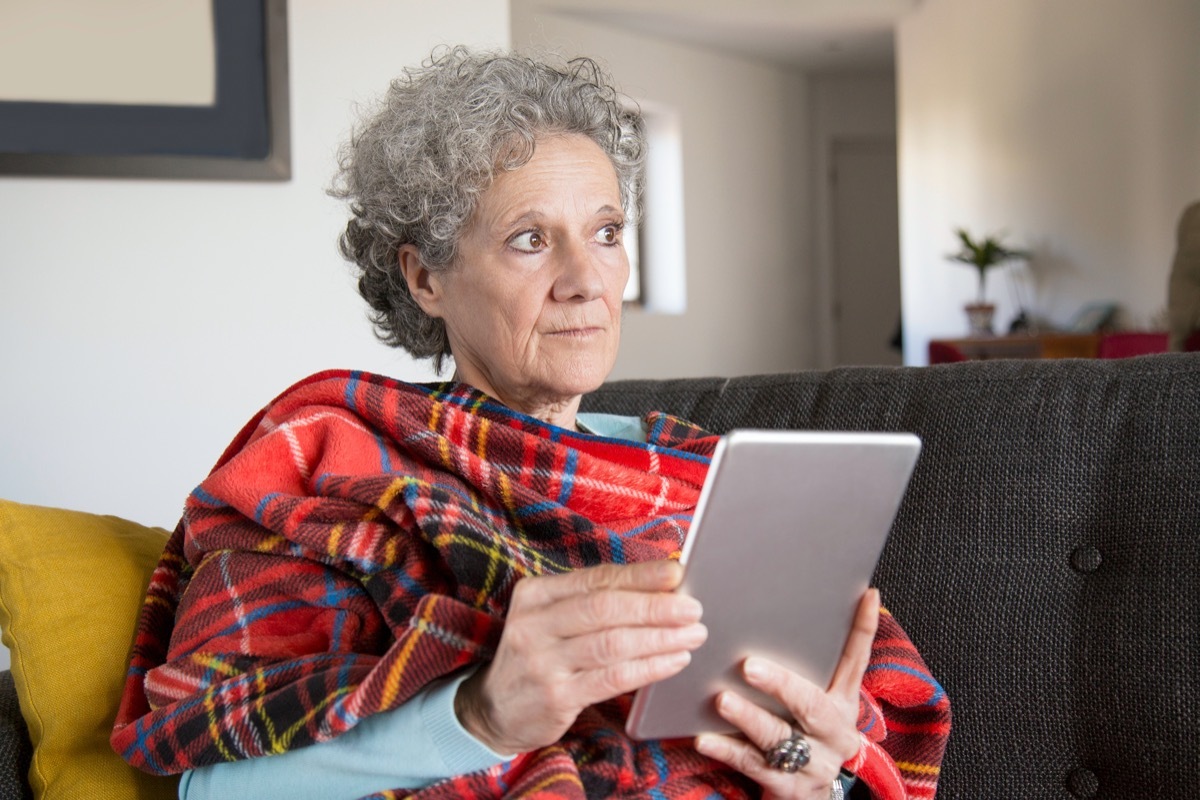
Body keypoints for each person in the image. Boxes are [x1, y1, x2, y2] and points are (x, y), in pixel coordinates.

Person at [111, 47, 950, 800]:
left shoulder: (703, 472)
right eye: (529, 239)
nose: (587, 279)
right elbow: (215, 789)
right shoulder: (329, 460)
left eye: (607, 232)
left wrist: (817, 774)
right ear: (426, 278)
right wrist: (481, 715)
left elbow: (826, 746)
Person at [1167, 199, 1200, 351]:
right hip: (1183, 288)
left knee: (1176, 345)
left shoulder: (1190, 212)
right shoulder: (1191, 213)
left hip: (1181, 291)